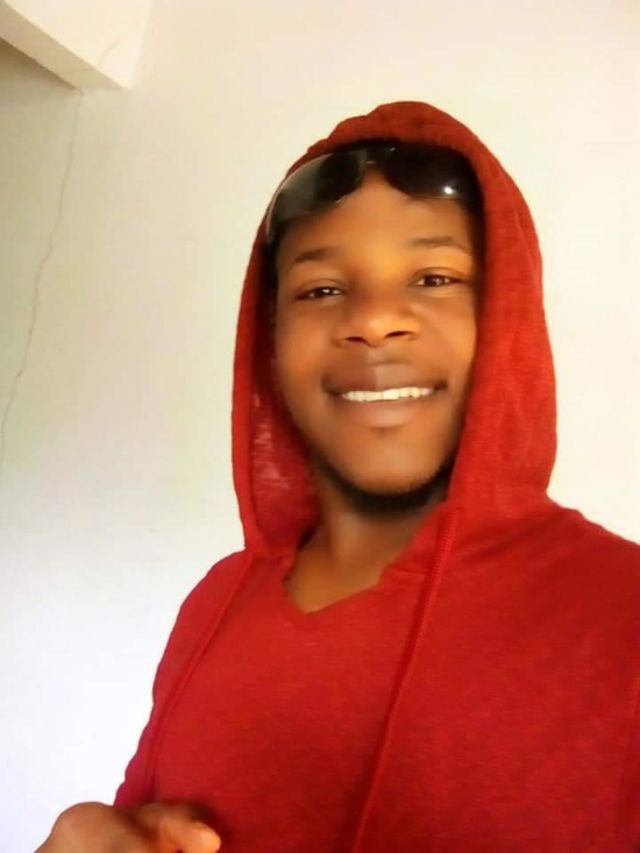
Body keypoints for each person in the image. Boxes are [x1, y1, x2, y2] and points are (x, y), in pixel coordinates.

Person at [37, 100, 640, 852]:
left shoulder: (623, 619)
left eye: (435, 277)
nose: (375, 319)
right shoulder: (216, 600)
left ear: (508, 319)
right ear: (268, 341)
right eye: (320, 290)